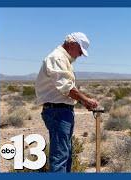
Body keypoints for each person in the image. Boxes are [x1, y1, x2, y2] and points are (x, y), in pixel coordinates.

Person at [35, 32, 98, 172]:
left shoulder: (63, 59)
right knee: (60, 156)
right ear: (71, 44)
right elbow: (66, 88)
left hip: (62, 111)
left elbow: (67, 88)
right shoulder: (57, 57)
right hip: (57, 112)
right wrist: (86, 100)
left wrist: (84, 102)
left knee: (66, 154)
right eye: (80, 50)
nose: (80, 54)